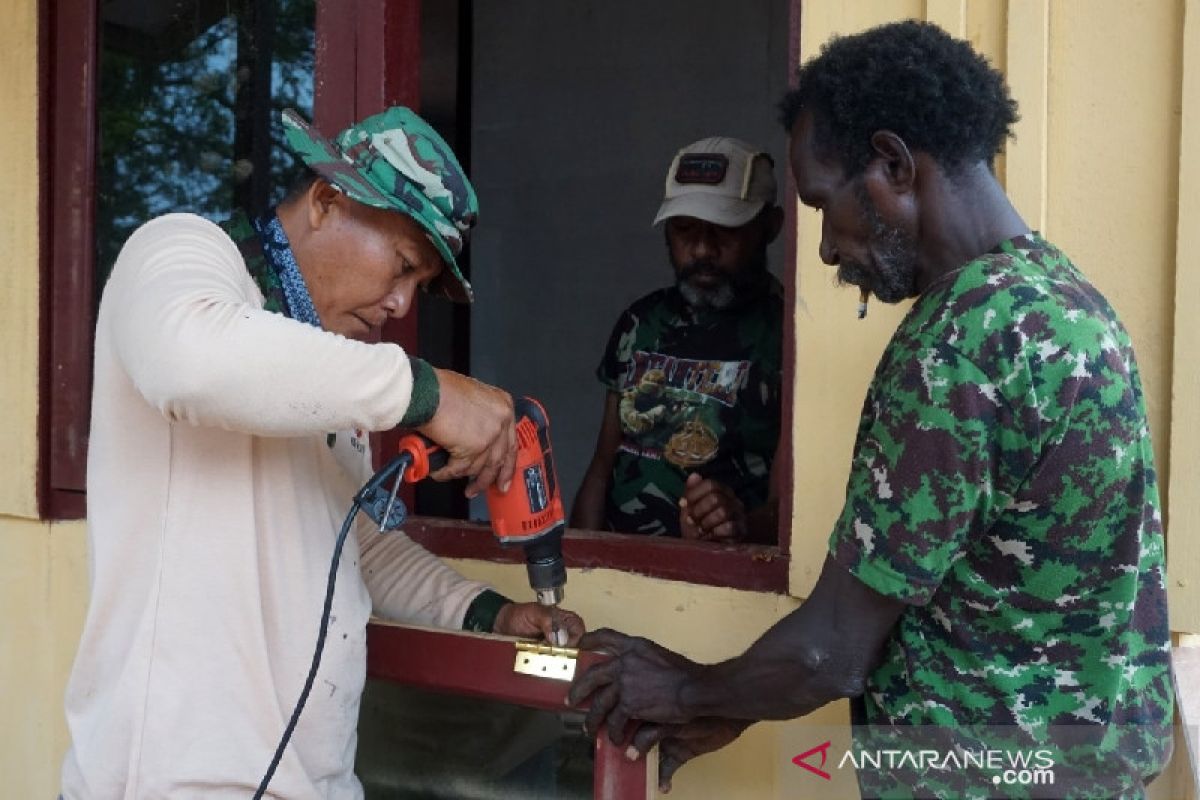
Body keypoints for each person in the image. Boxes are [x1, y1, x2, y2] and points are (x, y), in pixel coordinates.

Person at [568, 21, 1174, 799]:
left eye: (824, 203)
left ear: (892, 163)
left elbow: (832, 649)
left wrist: (685, 691)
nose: (825, 247)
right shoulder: (1064, 300)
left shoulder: (958, 345)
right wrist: (736, 705)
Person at [60, 106, 583, 798]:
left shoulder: (325, 377)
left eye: (419, 287)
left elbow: (354, 542)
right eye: (402, 265)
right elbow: (188, 362)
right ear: (327, 201)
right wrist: (432, 393)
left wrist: (487, 613)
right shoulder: (182, 252)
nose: (401, 306)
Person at [571, 137, 785, 543]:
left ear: (770, 228)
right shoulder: (640, 322)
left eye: (725, 230)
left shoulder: (789, 339)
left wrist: (738, 526)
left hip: (722, 586)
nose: (703, 249)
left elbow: (793, 514)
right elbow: (604, 464)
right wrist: (579, 565)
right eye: (685, 230)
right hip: (620, 571)